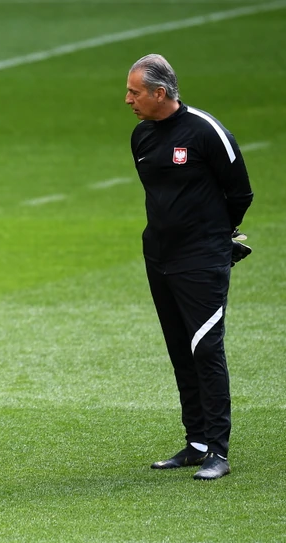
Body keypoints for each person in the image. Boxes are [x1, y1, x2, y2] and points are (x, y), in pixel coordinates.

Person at [125, 54, 253, 480]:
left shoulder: (205, 131)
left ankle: (218, 450)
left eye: (135, 92)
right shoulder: (141, 137)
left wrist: (217, 238)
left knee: (206, 349)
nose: (128, 100)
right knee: (181, 349)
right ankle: (196, 442)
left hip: (200, 260)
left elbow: (240, 193)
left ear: (160, 92)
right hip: (159, 258)